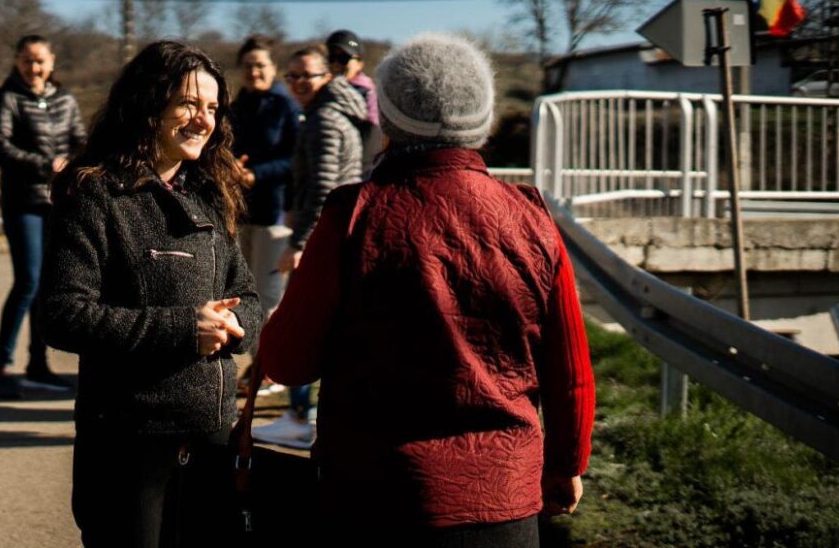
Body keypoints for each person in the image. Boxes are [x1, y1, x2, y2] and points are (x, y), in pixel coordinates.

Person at [258, 33, 596, 545]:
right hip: (504, 498)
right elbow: (569, 370)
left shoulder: (353, 213)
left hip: (375, 497)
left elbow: (287, 361)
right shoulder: (531, 214)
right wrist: (566, 464)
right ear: (480, 119)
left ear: (388, 119)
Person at [37, 40, 262, 547]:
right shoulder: (93, 192)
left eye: (211, 107)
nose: (202, 119)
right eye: (187, 103)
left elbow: (247, 296)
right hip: (128, 440)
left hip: (210, 438)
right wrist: (186, 329)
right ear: (147, 104)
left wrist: (236, 325)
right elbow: (63, 314)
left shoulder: (208, 190)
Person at [253, 45, 367, 450]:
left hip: (323, 238)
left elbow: (322, 188)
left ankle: (300, 416)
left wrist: (301, 243)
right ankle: (306, 415)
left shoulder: (323, 120)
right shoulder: (337, 112)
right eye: (293, 76)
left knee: (305, 323)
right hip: (339, 234)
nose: (300, 83)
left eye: (309, 75)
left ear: (328, 77)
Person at [0, 34, 86, 398]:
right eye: (27, 60)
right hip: (22, 201)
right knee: (27, 281)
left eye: (40, 60)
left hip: (59, 203)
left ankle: (38, 363)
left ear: (52, 62)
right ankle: (2, 368)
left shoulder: (65, 99)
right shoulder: (7, 97)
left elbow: (80, 139)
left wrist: (77, 164)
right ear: (16, 61)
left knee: (48, 286)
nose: (34, 67)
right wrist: (46, 164)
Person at [231, 35, 299, 319]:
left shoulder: (286, 107)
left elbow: (296, 160)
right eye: (247, 65)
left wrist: (256, 175)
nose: (253, 72)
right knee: (245, 296)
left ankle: (267, 364)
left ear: (273, 68)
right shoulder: (236, 106)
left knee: (268, 298)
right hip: (242, 212)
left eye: (260, 65)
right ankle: (257, 362)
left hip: (275, 213)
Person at [325, 29, 382, 170]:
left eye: (344, 58)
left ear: (359, 63)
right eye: (331, 57)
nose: (336, 63)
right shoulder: (321, 92)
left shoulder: (369, 95)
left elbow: (372, 141)